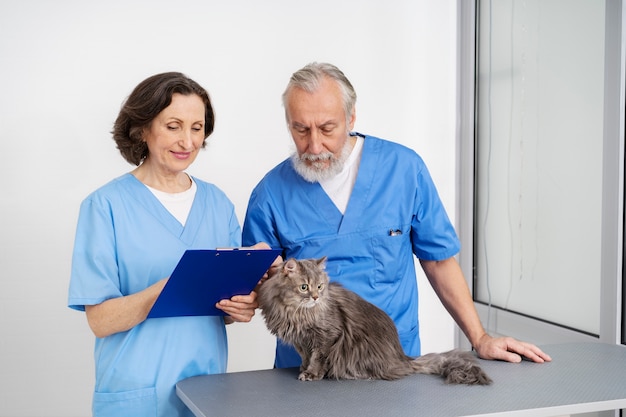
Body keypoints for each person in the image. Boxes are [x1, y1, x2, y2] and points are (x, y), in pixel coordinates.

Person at [242, 62, 552, 368]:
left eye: (326, 129)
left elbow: (439, 260)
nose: (314, 145)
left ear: (351, 118)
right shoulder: (269, 194)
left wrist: (480, 338)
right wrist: (258, 284)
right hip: (306, 369)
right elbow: (256, 289)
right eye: (300, 129)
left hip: (388, 365)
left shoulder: (404, 169)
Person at [68, 72, 271, 417]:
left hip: (206, 391)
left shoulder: (218, 203)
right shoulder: (105, 206)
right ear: (142, 129)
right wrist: (167, 289)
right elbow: (99, 321)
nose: (187, 141)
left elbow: (221, 309)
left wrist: (243, 304)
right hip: (136, 395)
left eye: (197, 127)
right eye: (173, 126)